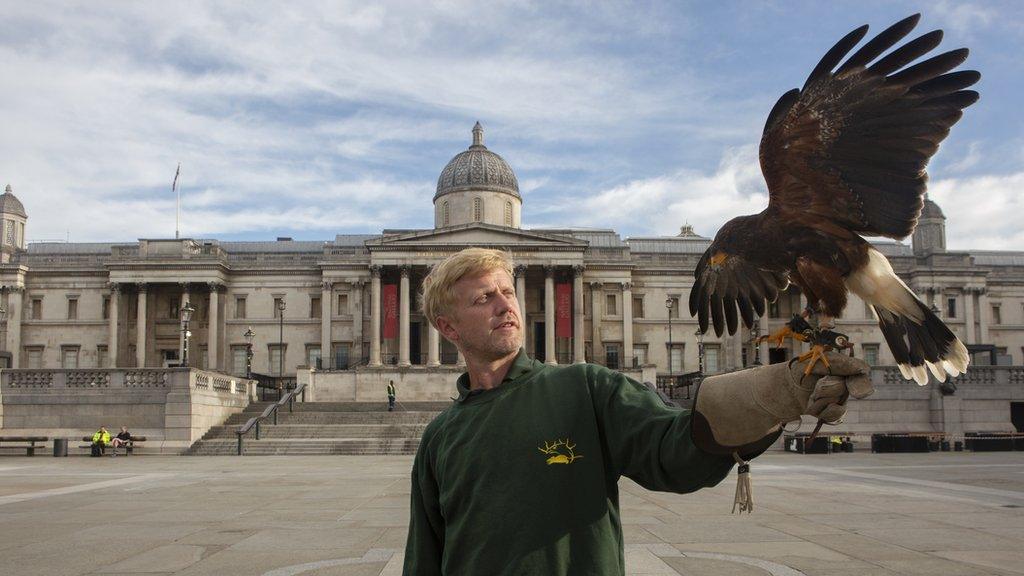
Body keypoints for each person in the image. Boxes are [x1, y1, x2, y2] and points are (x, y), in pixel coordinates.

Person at [403, 248, 874, 575]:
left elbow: (675, 450)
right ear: (447, 327)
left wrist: (777, 392)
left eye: (508, 291)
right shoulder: (441, 436)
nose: (507, 306)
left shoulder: (584, 388)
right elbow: (425, 556)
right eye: (485, 298)